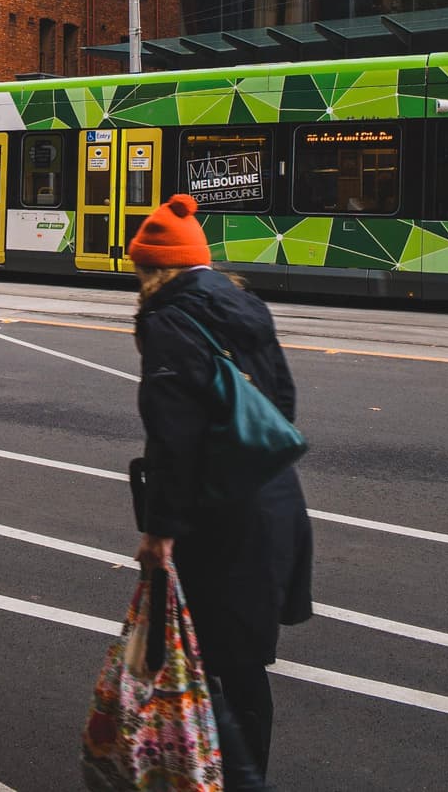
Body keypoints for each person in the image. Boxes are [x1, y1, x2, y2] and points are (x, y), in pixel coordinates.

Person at [128, 193, 312, 791]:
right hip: (273, 500)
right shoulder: (243, 306)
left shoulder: (168, 320)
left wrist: (160, 532)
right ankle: (238, 777)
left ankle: (236, 781)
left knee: (200, 659)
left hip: (220, 520)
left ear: (154, 269)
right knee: (243, 662)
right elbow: (281, 406)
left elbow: (174, 438)